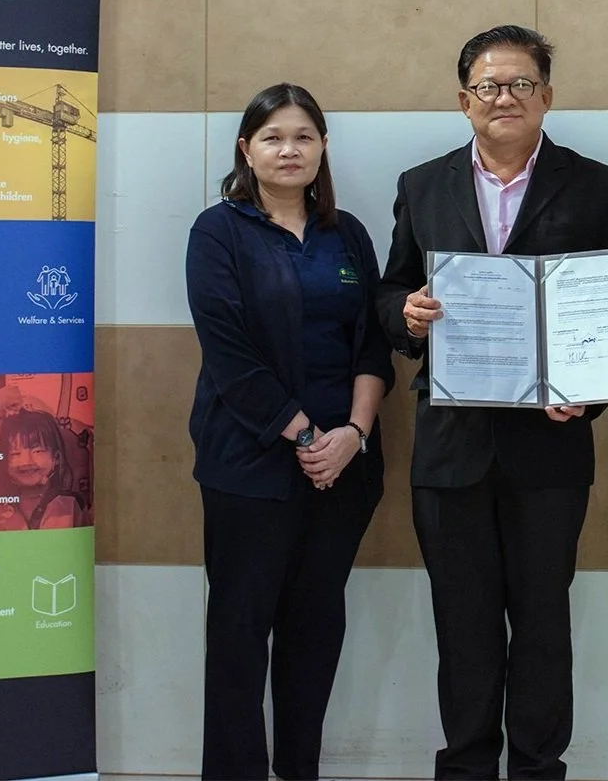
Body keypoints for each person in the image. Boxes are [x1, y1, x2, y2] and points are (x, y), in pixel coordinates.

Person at [378, 24, 608, 780]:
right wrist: (407, 315)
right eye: (489, 85)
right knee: (462, 626)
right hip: (451, 446)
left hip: (550, 448)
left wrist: (587, 398)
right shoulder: (421, 185)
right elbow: (390, 289)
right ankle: (463, 767)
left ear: (547, 96)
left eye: (522, 83)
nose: (505, 97)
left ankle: (536, 768)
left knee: (544, 624)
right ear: (465, 101)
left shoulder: (596, 185)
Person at [186, 83, 393, 781]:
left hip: (344, 470)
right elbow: (231, 355)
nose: (289, 149)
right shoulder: (219, 232)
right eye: (273, 136)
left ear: (323, 148)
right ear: (247, 148)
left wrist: (353, 436)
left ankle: (299, 768)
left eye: (303, 136)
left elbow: (373, 347)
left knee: (314, 632)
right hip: (249, 468)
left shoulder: (349, 234)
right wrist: (309, 439)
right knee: (240, 638)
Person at [0, 406, 87, 531]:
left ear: (56, 458)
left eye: (37, 451)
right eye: (15, 453)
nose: (26, 462)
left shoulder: (72, 506)